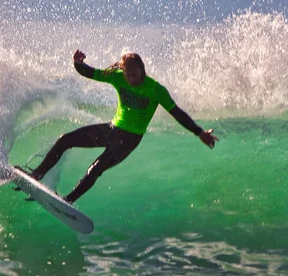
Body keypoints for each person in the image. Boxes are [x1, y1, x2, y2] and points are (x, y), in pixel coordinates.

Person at [28, 50, 218, 204]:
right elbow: (90, 73)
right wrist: (78, 63)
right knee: (65, 140)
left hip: (129, 140)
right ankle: (36, 175)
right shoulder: (118, 77)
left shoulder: (156, 90)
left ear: (143, 70)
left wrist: (199, 132)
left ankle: (67, 202)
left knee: (95, 169)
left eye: (134, 75)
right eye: (128, 75)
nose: (131, 79)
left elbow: (178, 114)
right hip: (112, 130)